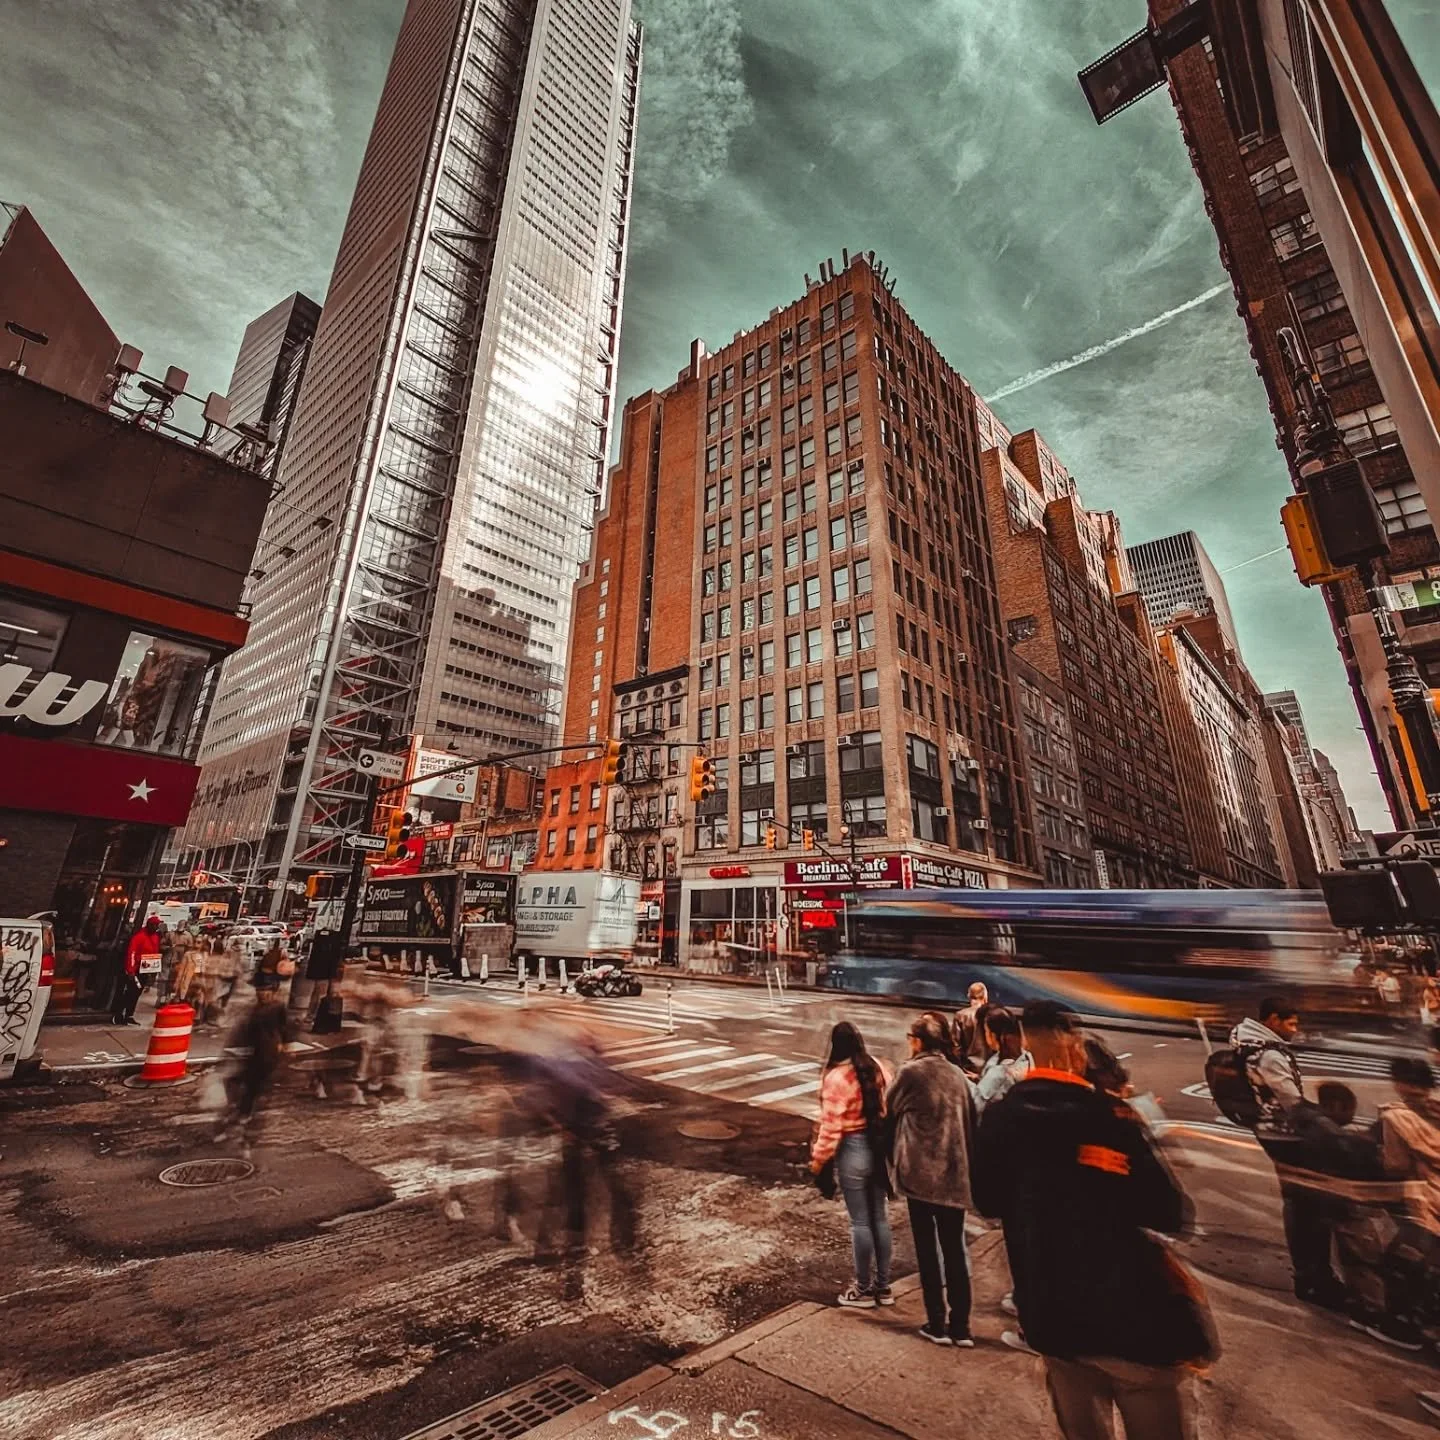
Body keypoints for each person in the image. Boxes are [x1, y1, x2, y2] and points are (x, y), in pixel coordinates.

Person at [975, 1001, 1216, 1440]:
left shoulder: (1000, 1117)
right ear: (1071, 1048)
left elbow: (987, 1200)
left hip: (1052, 1313)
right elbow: (1170, 1211)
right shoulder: (1109, 1117)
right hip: (1129, 1318)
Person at [1231, 997, 1346, 1309]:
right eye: (1290, 1024)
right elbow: (1293, 1102)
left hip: (1270, 1131)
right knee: (1310, 1205)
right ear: (1272, 1020)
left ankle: (1309, 1275)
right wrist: (1331, 1129)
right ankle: (1314, 1278)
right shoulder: (1268, 1054)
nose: (1295, 1030)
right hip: (1288, 1136)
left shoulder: (1244, 1039)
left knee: (1296, 1201)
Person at [887, 1012, 978, 1345]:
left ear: (919, 1040)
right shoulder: (957, 1074)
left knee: (928, 1251)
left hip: (922, 1178)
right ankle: (962, 1327)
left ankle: (937, 1324)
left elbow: (889, 1108)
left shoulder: (912, 1072)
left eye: (911, 1037)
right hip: (955, 1177)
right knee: (955, 1249)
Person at [811, 1021, 894, 1309]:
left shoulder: (837, 1077)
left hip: (853, 1150)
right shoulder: (877, 1067)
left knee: (860, 1221)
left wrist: (818, 1160)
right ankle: (883, 1287)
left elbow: (830, 1128)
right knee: (879, 1219)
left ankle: (861, 1289)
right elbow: (888, 1107)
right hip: (877, 1147)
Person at [1373, 1057, 1440, 1349]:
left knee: (1400, 1261)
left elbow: (1396, 1166)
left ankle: (1404, 1327)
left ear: (1401, 1083)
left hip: (1425, 1197)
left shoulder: (1396, 1117)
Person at [214, 994, 290, 1155]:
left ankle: (246, 1140)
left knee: (254, 1101)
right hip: (250, 1060)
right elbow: (241, 1035)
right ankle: (232, 1126)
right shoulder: (253, 1011)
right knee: (241, 1097)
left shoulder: (276, 1009)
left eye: (268, 990)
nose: (264, 993)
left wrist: (284, 1046)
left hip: (265, 1061)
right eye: (262, 990)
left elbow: (284, 1029)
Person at [974, 1006, 1031, 1114]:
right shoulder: (1027, 1057)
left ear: (993, 1035)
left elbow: (976, 1105)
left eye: (986, 1031)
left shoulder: (998, 1073)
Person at [114, 917, 162, 1025]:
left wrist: (153, 971)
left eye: (157, 925)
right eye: (154, 925)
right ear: (149, 925)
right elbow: (132, 953)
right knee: (130, 993)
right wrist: (130, 970)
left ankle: (129, 1014)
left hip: (145, 969)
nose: (156, 927)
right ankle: (119, 1014)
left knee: (136, 993)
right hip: (136, 969)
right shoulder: (139, 937)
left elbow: (154, 953)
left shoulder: (155, 938)